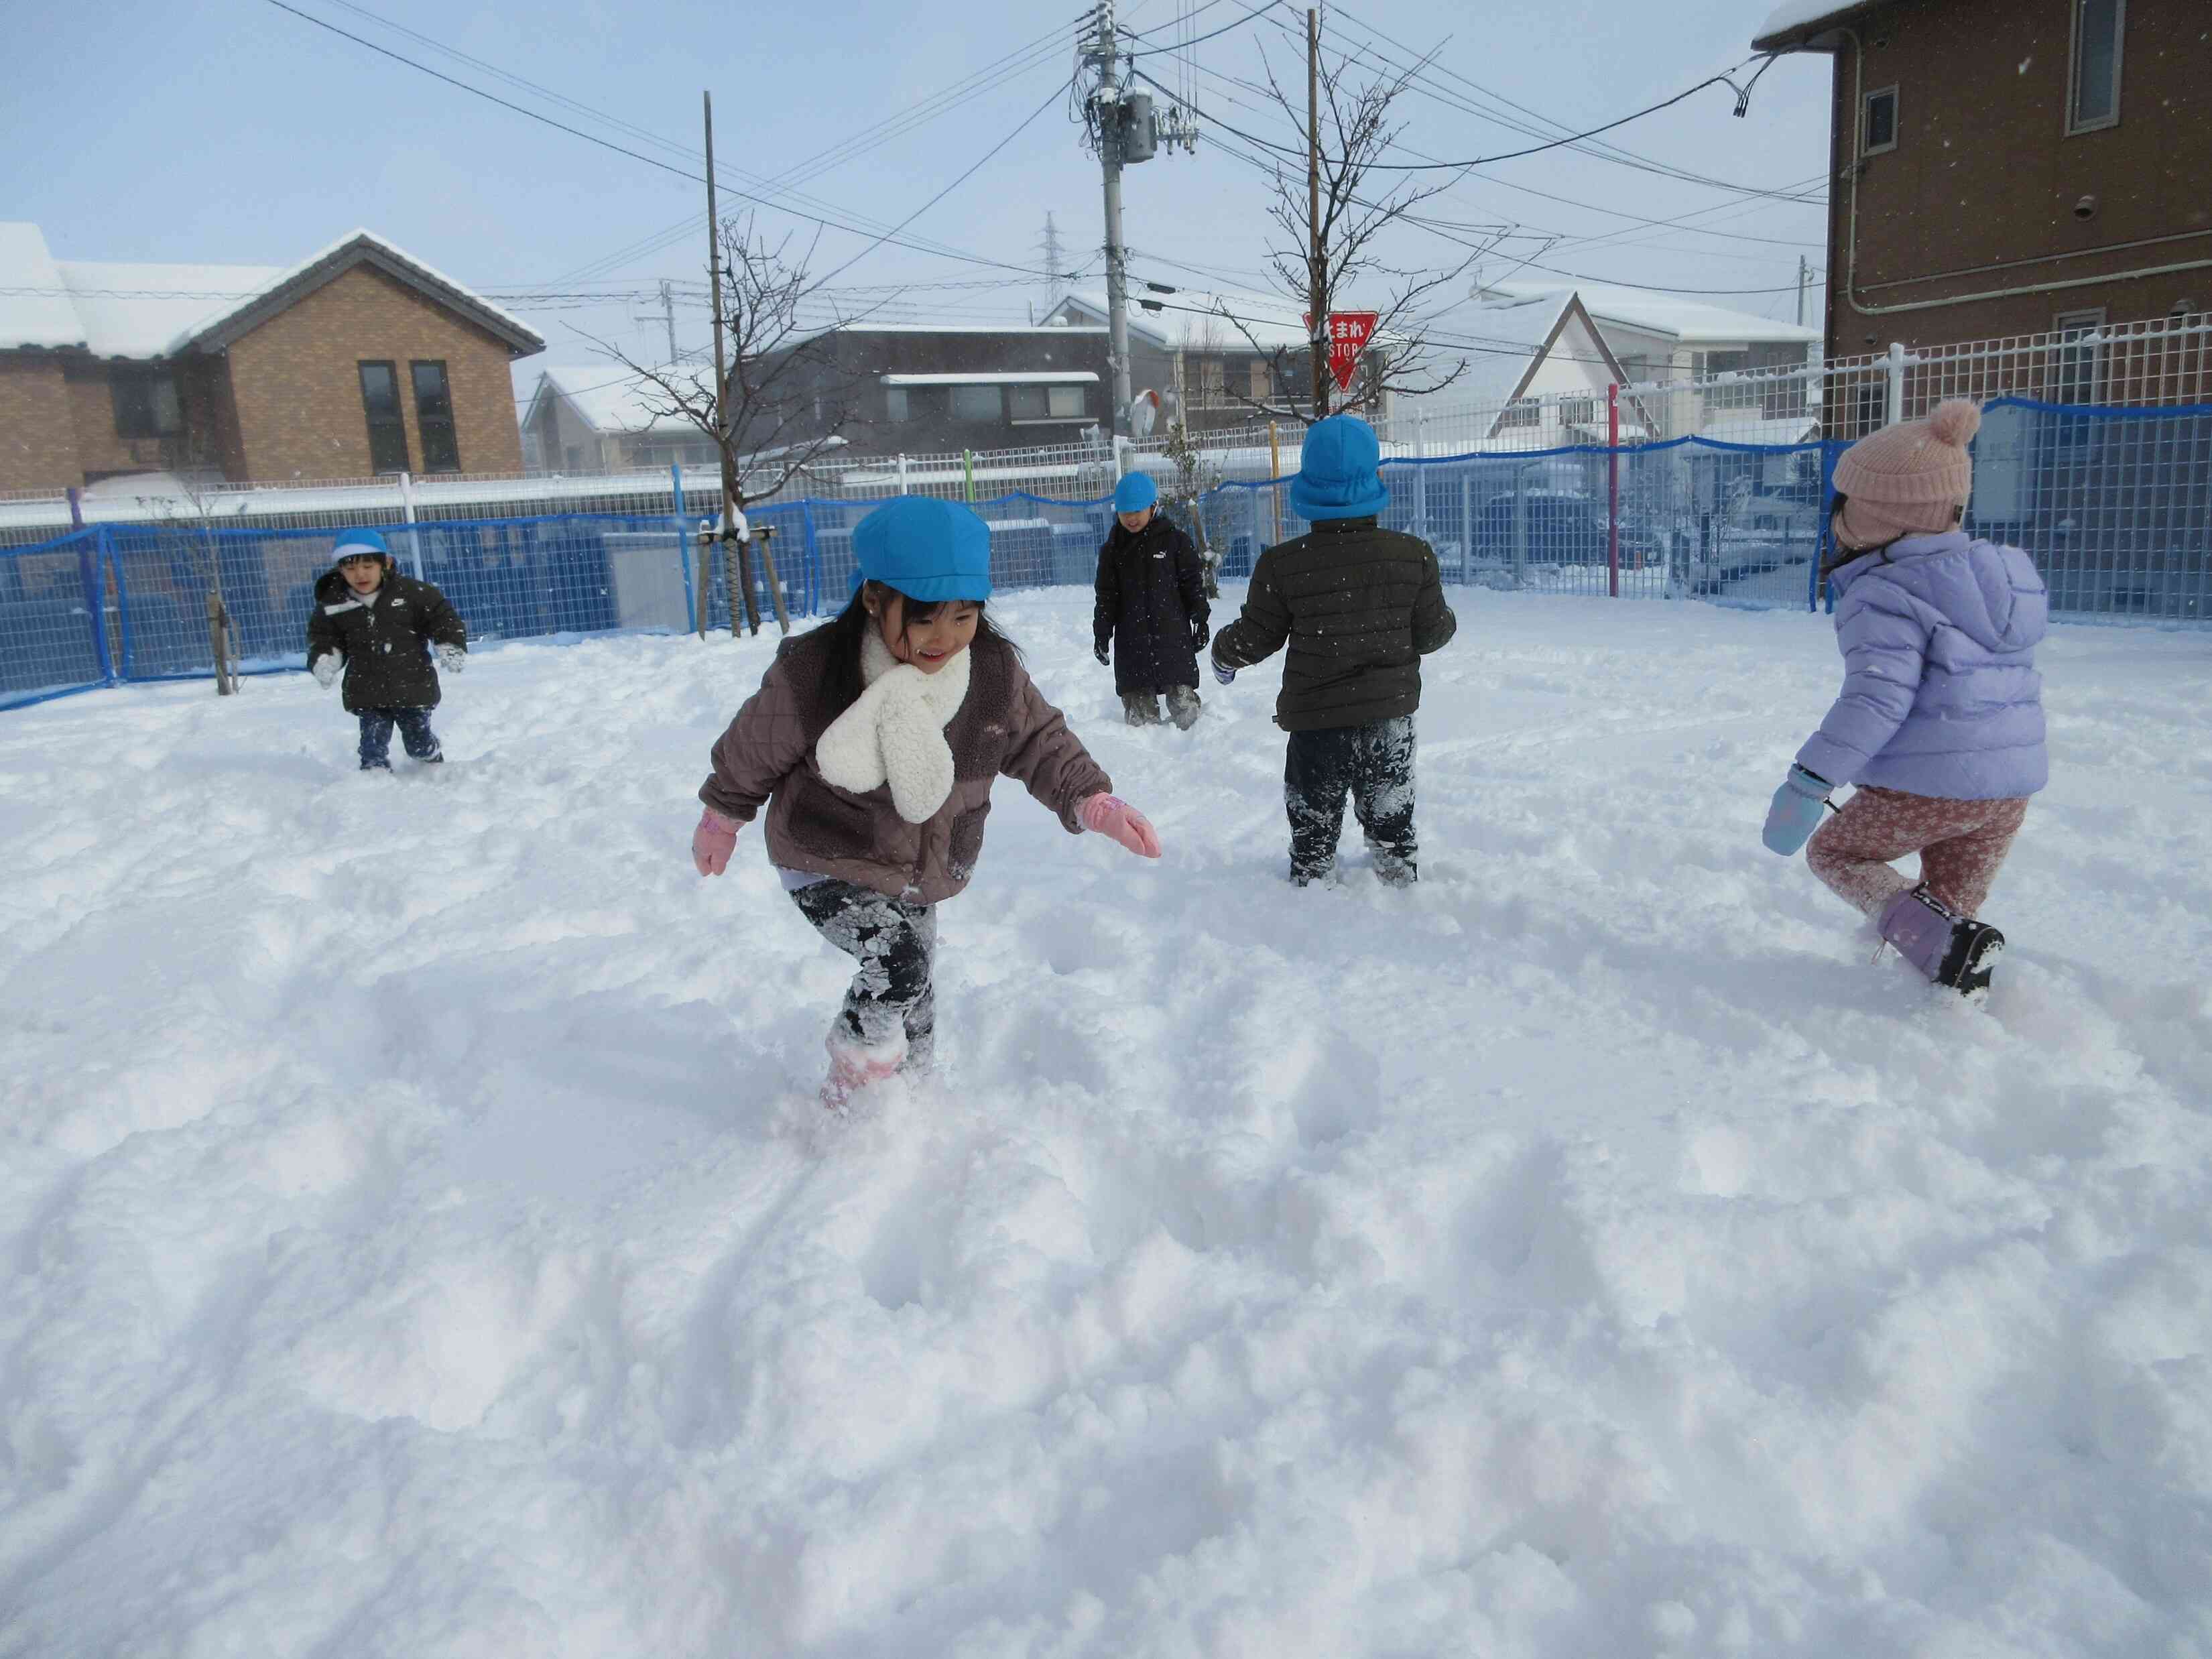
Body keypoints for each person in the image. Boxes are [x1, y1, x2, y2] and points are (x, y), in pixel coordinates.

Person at [691, 495, 1163, 1111]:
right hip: (826, 850)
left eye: (964, 616)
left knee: (916, 986)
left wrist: (1092, 799)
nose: (946, 637)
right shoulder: (818, 672)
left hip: (924, 863)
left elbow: (1040, 740)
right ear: (873, 599)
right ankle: (850, 1088)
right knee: (901, 962)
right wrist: (721, 816)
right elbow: (754, 746)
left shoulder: (990, 673)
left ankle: (911, 1101)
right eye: (924, 618)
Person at [1762, 399, 2047, 997]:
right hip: (2010, 791)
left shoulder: (1883, 592)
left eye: (1844, 508)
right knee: (1946, 916)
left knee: (1837, 854)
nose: (1834, 521)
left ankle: (1942, 959)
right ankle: (1948, 998)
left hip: (1931, 790)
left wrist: (1810, 781)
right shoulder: (2006, 579)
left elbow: (1876, 699)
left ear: (1874, 517)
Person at [1209, 414, 1457, 887]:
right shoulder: (1413, 555)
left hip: (1317, 727)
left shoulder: (1283, 565)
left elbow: (1258, 635)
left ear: (1308, 485)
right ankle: (1401, 891)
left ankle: (1309, 897)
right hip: (1388, 720)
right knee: (1391, 824)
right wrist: (1442, 622)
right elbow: (1431, 634)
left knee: (1314, 831)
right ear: (1374, 479)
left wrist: (1224, 653)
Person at [305, 528, 467, 771]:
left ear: (386, 563)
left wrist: (450, 644)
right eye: (350, 568)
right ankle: (374, 785)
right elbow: (324, 638)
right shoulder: (333, 603)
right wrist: (326, 659)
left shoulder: (412, 593)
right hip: (366, 689)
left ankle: (433, 762)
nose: (360, 574)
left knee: (417, 744)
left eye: (368, 567)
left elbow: (442, 618)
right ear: (340, 570)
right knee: (372, 750)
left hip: (412, 686)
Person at [1095, 471, 1209, 729]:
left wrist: (1200, 620)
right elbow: (1106, 597)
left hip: (1173, 640)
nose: (1131, 519)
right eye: (1125, 513)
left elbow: (1192, 585)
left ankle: (1195, 751)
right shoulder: (1113, 550)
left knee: (1185, 707)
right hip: (1132, 644)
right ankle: (1144, 760)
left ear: (1154, 507)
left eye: (1137, 511)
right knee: (1140, 719)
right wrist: (1101, 634)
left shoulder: (1176, 542)